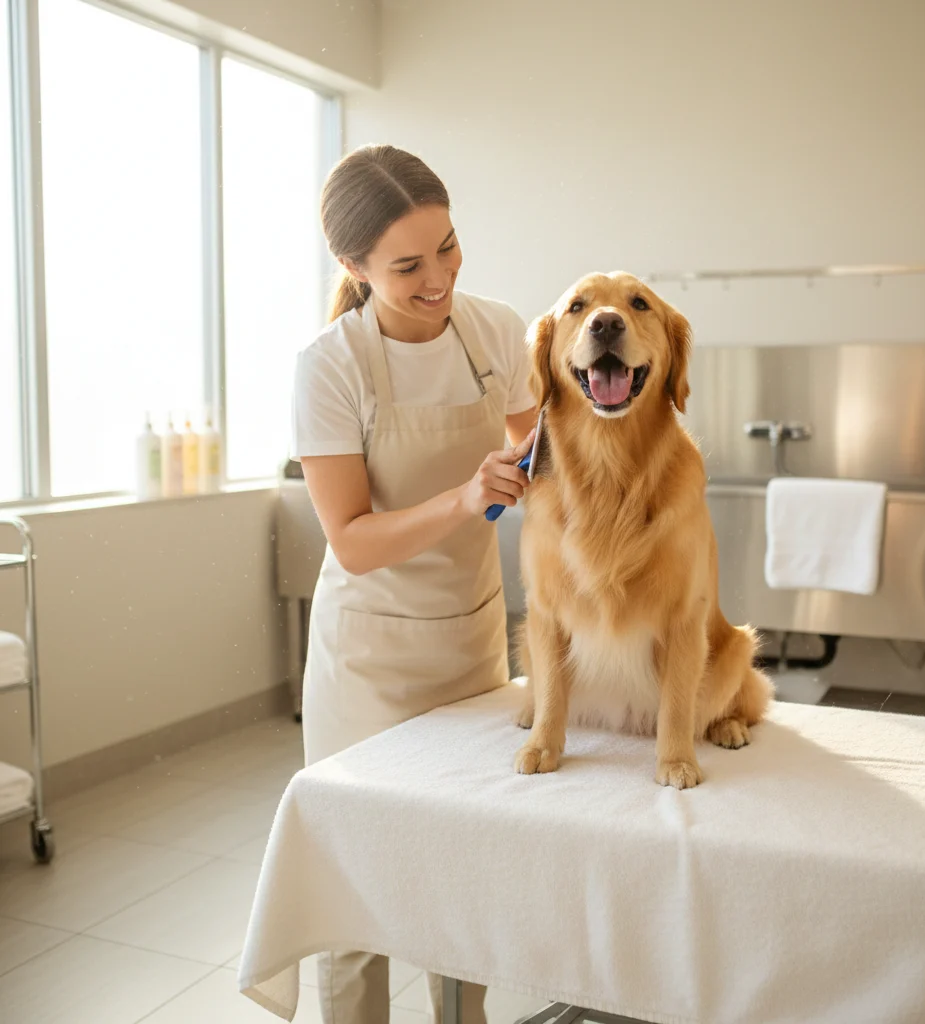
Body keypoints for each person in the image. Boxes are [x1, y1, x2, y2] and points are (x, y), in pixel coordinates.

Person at [291, 143, 537, 1024]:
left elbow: (541, 450)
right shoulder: (331, 365)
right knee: (356, 881)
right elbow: (352, 542)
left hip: (467, 643)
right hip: (369, 659)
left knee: (459, 865)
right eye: (407, 265)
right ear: (353, 267)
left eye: (448, 247)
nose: (438, 277)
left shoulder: (498, 331)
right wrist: (468, 496)